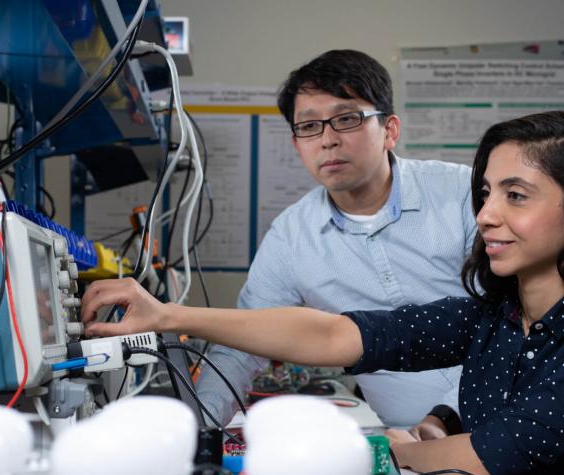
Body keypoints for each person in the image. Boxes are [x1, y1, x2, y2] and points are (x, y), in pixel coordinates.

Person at [82, 111, 564, 475]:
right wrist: (168, 316)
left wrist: (382, 450)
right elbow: (338, 335)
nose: (486, 215)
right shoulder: (498, 315)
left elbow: (495, 454)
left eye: (516, 196)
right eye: (486, 193)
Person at [195, 49, 475, 429]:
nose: (327, 140)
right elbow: (242, 347)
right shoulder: (292, 236)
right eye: (309, 127)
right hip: (408, 453)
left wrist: (445, 417)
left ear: (390, 130)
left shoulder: (464, 194)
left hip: (514, 424)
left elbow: (515, 319)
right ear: (297, 145)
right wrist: (195, 427)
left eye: (346, 119)